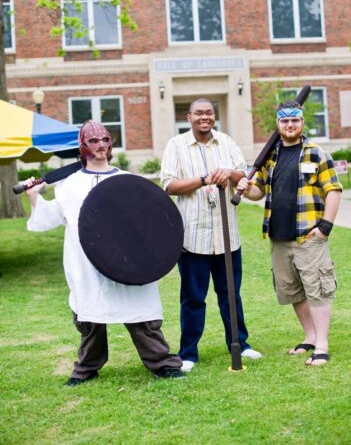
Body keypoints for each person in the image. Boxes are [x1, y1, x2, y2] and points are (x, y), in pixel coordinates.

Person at [25, 120, 184, 385]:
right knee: (90, 316)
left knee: (140, 314)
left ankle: (163, 363)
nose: (101, 146)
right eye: (94, 141)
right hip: (85, 262)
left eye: (105, 140)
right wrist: (33, 197)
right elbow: (50, 218)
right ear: (83, 146)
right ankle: (86, 368)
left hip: (126, 259)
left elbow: (146, 224)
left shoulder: (127, 181)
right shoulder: (68, 185)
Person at [237, 101, 342, 366]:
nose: (290, 125)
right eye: (284, 121)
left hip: (308, 236)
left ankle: (322, 345)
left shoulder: (316, 153)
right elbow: (257, 192)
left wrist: (324, 227)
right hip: (279, 237)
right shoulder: (270, 156)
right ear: (278, 124)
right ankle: (309, 337)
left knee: (317, 289)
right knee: (293, 291)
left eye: (294, 120)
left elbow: (333, 190)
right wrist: (241, 184)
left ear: (302, 123)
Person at [160, 98, 262, 372]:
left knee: (231, 294)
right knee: (193, 298)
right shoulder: (176, 146)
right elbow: (169, 185)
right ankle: (189, 353)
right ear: (188, 117)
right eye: (199, 113)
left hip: (227, 234)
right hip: (193, 238)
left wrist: (231, 173)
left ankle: (241, 343)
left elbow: (245, 173)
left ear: (214, 117)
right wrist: (204, 179)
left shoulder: (226, 142)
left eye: (209, 113)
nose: (204, 117)